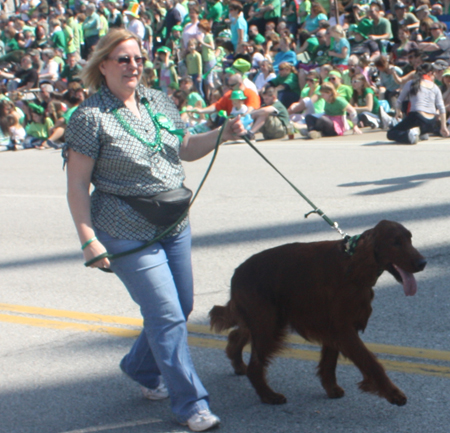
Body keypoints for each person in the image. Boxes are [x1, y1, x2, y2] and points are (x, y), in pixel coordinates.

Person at [64, 28, 245, 432]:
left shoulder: (159, 101)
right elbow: (77, 185)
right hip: (124, 226)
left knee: (179, 308)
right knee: (165, 315)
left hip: (173, 221)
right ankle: (191, 404)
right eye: (123, 59)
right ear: (103, 65)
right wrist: (87, 238)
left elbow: (185, 149)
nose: (133, 66)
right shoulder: (89, 117)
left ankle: (140, 367)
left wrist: (223, 134)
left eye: (138, 59)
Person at [386, 63, 449, 144]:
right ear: (430, 73)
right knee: (416, 127)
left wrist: (398, 112)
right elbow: (442, 108)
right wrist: (443, 127)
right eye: (434, 74)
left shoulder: (411, 83)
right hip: (431, 122)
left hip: (417, 118)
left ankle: (409, 136)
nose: (434, 77)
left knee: (391, 133)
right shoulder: (435, 87)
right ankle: (421, 134)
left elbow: (399, 100)